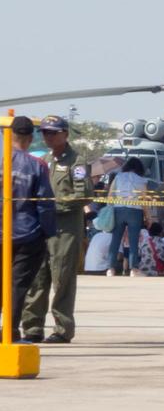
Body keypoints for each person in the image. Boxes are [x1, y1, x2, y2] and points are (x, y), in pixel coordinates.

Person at [22, 115, 92, 343]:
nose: (48, 136)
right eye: (44, 133)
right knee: (37, 278)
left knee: (62, 279)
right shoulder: (44, 161)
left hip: (65, 228)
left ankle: (62, 329)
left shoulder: (76, 162)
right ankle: (32, 327)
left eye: (53, 132)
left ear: (65, 134)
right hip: (42, 228)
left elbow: (83, 196)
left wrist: (53, 204)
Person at [1, 116, 56, 342]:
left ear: (9, 135)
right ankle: (11, 332)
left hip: (3, 232)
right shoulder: (37, 165)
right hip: (28, 234)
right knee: (18, 286)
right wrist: (49, 231)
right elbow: (44, 202)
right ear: (30, 138)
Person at [107, 156, 150, 277]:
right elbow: (144, 201)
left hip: (118, 209)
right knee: (133, 241)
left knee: (115, 239)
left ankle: (110, 269)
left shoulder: (118, 177)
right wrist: (148, 217)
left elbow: (110, 195)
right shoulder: (142, 180)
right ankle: (134, 269)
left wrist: (110, 210)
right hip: (135, 211)